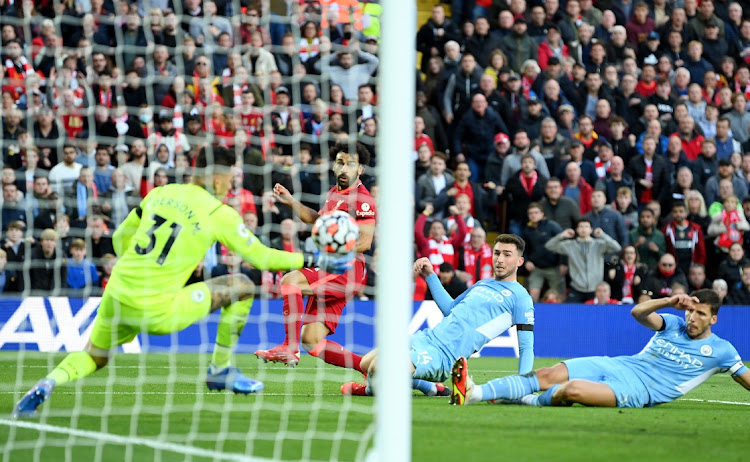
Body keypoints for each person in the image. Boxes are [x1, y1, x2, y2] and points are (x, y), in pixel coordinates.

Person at [13, 147, 349, 418]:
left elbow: (120, 238)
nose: (231, 184)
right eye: (230, 177)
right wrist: (310, 260)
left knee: (95, 356)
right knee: (243, 286)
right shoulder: (219, 214)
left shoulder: (161, 193)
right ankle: (220, 369)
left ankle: (48, 382)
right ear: (217, 177)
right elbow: (263, 259)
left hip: (117, 291)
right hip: (156, 307)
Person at [451, 289, 750, 407]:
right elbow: (637, 313)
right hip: (620, 364)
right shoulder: (673, 323)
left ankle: (522, 400)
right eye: (691, 311)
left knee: (572, 390)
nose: (692, 318)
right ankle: (475, 393)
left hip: (639, 392)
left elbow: (744, 378)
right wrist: (669, 301)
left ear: (714, 318)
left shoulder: (722, 351)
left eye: (700, 314)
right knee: (550, 372)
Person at [341, 234, 535, 397]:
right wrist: (430, 276)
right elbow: (450, 308)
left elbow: (526, 347)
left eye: (507, 255)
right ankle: (432, 389)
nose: (500, 259)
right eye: (497, 253)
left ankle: (372, 390)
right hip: (426, 338)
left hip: (444, 355)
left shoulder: (521, 298)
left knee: (379, 367)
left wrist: (524, 386)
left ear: (519, 261)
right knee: (366, 364)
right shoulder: (482, 284)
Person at [254, 142, 376, 372]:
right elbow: (315, 219)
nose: (343, 169)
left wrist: (337, 252)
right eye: (340, 163)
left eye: (350, 164)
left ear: (360, 170)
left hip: (346, 269)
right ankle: (370, 368)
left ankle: (289, 347)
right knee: (312, 340)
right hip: (334, 267)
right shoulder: (333, 193)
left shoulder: (363, 199)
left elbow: (365, 242)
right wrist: (291, 201)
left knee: (290, 281)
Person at [545, 219, 622, 303]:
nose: (583, 229)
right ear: (577, 229)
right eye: (581, 227)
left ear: (591, 230)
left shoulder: (599, 244)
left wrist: (603, 235)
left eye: (586, 226)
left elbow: (617, 247)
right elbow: (549, 246)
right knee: (569, 312)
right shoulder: (570, 245)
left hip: (595, 288)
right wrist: (562, 235)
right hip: (577, 288)